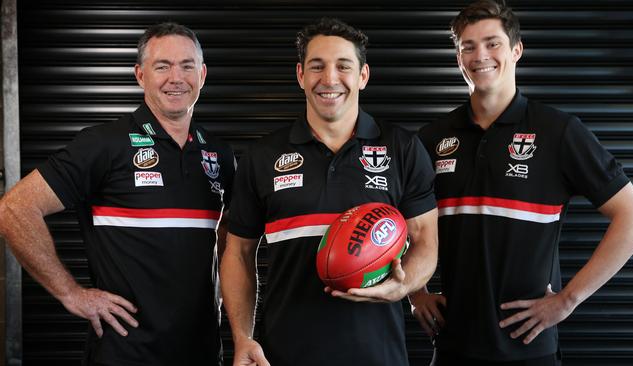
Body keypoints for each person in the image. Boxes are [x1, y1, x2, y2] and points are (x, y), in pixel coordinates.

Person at [412, 1, 633, 365]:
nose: (480, 55)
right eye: (468, 47)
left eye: (492, 43)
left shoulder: (558, 131)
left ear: (516, 50)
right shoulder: (431, 138)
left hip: (530, 349)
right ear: (458, 58)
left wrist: (568, 299)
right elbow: (394, 219)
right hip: (451, 346)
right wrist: (416, 293)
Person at [0, 22, 235, 366]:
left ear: (202, 74)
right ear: (140, 75)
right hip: (124, 353)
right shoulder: (104, 144)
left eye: (187, 66)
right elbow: (15, 209)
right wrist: (71, 293)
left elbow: (230, 241)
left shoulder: (219, 154)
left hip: (202, 352)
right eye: (162, 66)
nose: (176, 77)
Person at [220, 17, 439, 366]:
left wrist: (403, 286)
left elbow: (426, 241)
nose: (330, 79)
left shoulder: (402, 148)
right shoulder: (263, 156)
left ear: (363, 75)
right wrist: (243, 338)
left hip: (378, 355)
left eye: (343, 66)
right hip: (284, 355)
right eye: (317, 66)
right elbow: (238, 254)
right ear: (300, 75)